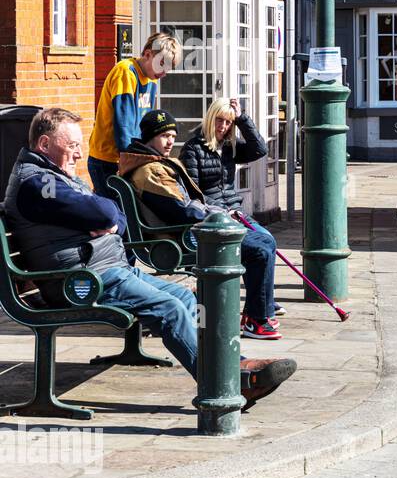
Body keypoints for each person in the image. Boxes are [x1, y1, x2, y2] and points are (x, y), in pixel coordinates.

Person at [3, 108, 295, 407]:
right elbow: (104, 211)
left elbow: (112, 213)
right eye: (72, 146)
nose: (79, 155)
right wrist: (103, 219)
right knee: (169, 308)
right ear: (44, 145)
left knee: (188, 299)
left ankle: (237, 365)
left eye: (80, 146)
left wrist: (104, 220)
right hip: (80, 282)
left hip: (106, 269)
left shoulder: (54, 176)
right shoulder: (40, 184)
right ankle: (223, 383)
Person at [180, 99, 281, 340]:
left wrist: (242, 118)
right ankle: (259, 316)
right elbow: (192, 194)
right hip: (214, 219)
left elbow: (260, 150)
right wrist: (218, 213)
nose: (223, 126)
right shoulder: (193, 149)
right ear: (210, 118)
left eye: (228, 122)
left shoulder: (228, 147)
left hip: (234, 212)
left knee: (269, 240)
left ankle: (261, 307)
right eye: (220, 120)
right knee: (259, 249)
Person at [86, 32, 181, 197]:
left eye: (167, 68)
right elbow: (124, 125)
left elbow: (147, 125)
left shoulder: (151, 79)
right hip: (109, 159)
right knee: (115, 215)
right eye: (161, 65)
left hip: (129, 158)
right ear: (147, 54)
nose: (163, 73)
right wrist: (132, 163)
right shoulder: (126, 72)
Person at [117, 110, 213, 227]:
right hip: (179, 237)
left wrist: (223, 211)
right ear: (149, 137)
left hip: (193, 226)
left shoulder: (158, 162)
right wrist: (217, 216)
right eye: (165, 136)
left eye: (173, 136)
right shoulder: (151, 171)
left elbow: (191, 199)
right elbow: (182, 211)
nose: (171, 142)